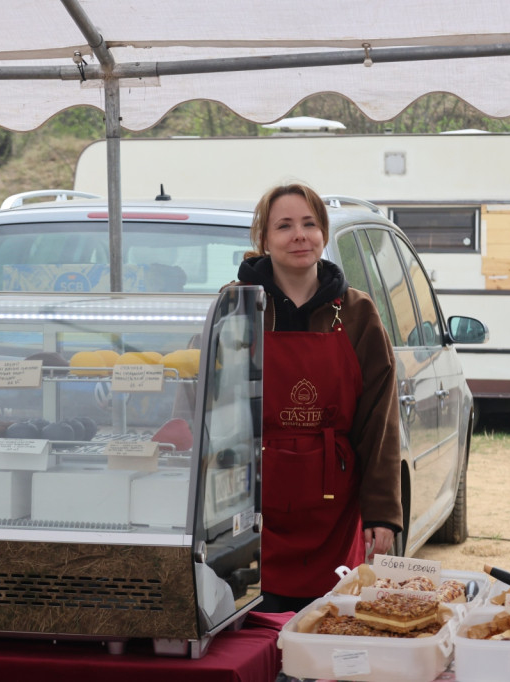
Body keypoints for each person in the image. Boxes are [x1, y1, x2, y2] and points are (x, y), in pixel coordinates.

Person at [227, 182, 402, 613]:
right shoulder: (236, 308)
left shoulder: (358, 312)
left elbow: (379, 421)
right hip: (251, 513)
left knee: (332, 626)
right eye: (284, 226)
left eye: (309, 224)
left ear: (323, 233)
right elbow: (209, 406)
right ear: (263, 239)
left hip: (334, 515)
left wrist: (382, 513)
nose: (299, 236)